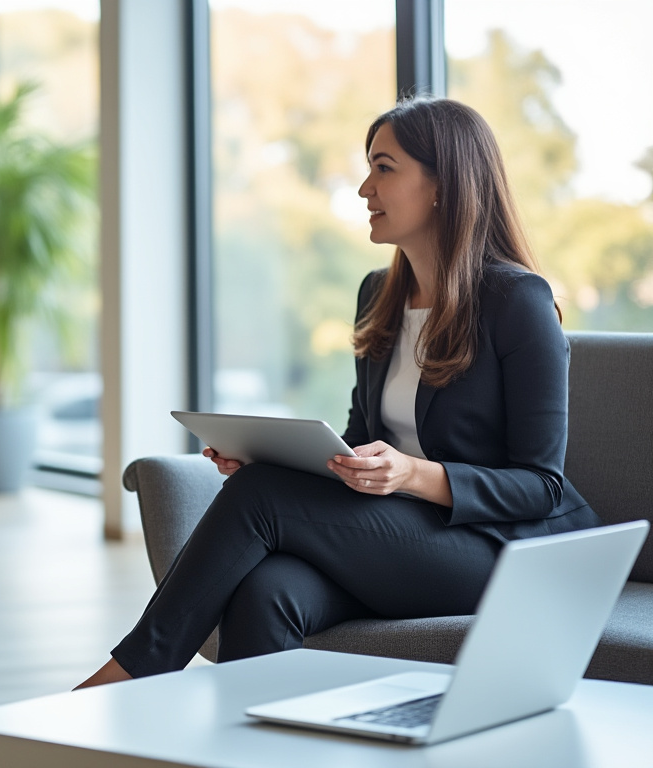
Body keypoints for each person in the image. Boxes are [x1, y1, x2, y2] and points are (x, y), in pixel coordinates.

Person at [78, 96, 600, 687]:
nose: (362, 189)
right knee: (267, 591)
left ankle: (131, 675)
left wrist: (411, 475)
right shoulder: (378, 293)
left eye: (384, 167)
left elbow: (541, 484)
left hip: (499, 550)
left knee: (261, 496)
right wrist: (277, 457)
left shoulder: (516, 301)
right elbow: (362, 441)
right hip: (402, 532)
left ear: (442, 185)